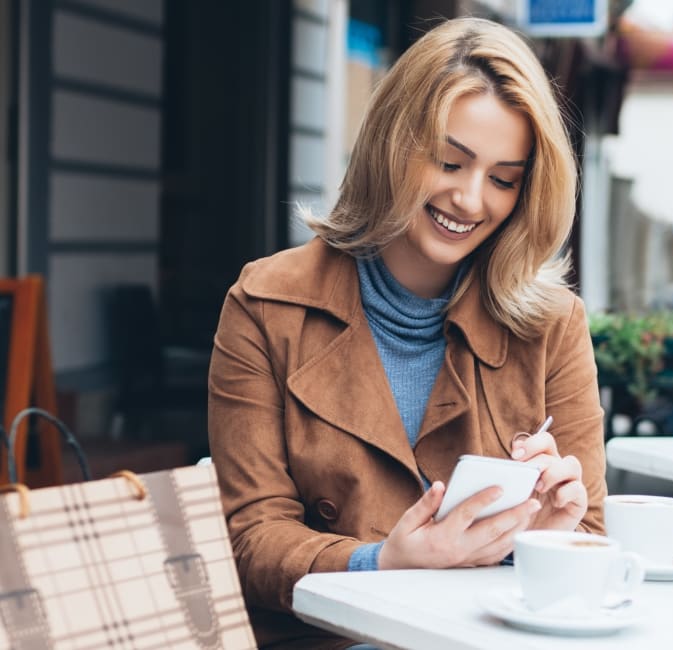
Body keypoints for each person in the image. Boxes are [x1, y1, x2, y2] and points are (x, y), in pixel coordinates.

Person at [208, 16, 607, 649]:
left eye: (504, 179)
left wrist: (552, 535)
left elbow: (589, 542)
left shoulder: (552, 324)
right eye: (450, 162)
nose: (472, 200)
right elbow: (251, 541)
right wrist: (382, 565)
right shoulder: (266, 304)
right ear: (392, 143)